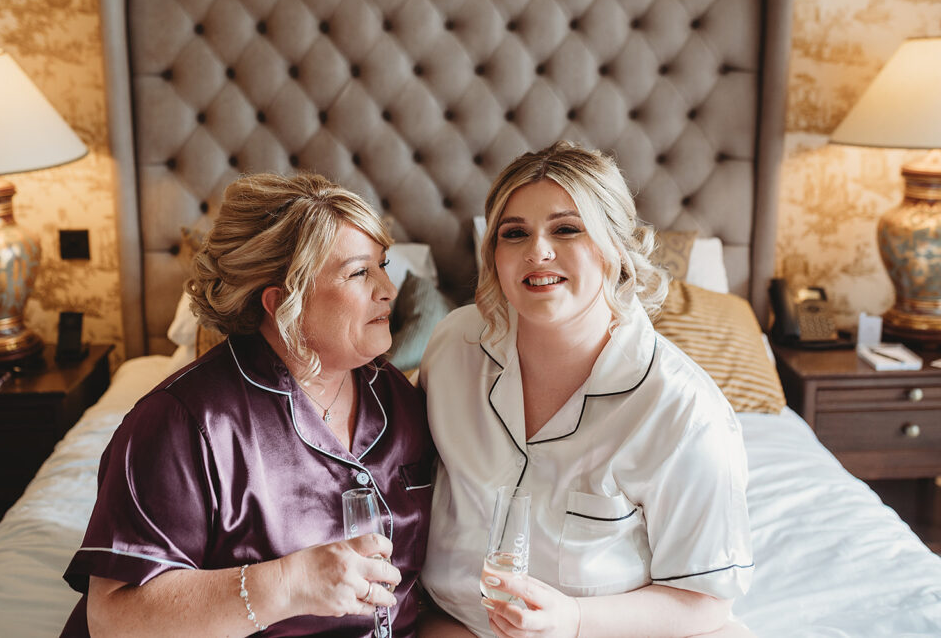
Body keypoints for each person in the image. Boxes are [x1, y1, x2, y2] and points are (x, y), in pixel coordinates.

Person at [61, 172, 434, 637]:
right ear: (282, 303)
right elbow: (114, 618)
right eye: (360, 272)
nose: (388, 290)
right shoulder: (183, 424)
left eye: (383, 265)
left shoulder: (399, 397)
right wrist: (288, 584)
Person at [417, 142, 754, 638]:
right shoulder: (452, 349)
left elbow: (705, 603)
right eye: (515, 233)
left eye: (566, 228)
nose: (537, 251)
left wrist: (575, 620)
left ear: (615, 247)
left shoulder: (683, 412)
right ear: (494, 254)